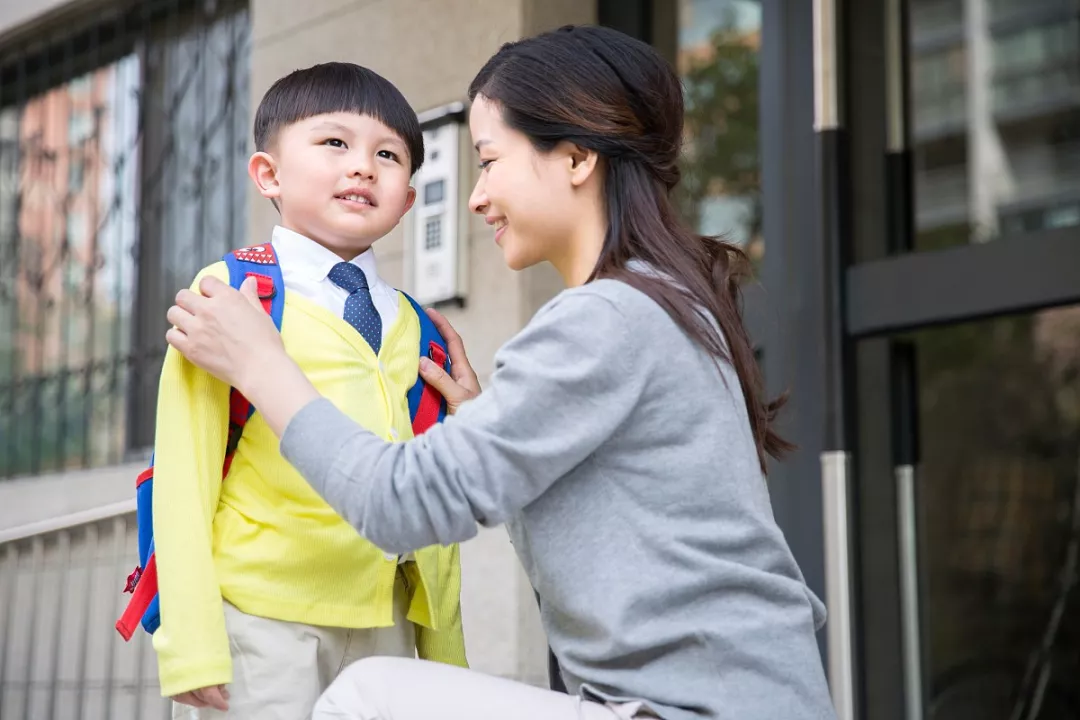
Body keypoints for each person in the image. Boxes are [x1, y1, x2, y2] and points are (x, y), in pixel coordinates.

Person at [165, 26, 837, 720]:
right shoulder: (668, 306)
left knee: (366, 696)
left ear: (575, 158)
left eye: (489, 161)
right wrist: (487, 424)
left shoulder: (607, 318)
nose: (477, 196)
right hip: (736, 701)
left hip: (690, 710)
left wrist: (261, 365)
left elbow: (398, 504)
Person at [151, 62, 467, 719]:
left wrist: (447, 657)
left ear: (409, 198)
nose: (363, 167)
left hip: (388, 624)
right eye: (334, 143)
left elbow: (430, 495)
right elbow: (182, 474)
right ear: (268, 174)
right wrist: (191, 643)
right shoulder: (234, 293)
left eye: (387, 155)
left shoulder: (419, 326)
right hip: (261, 623)